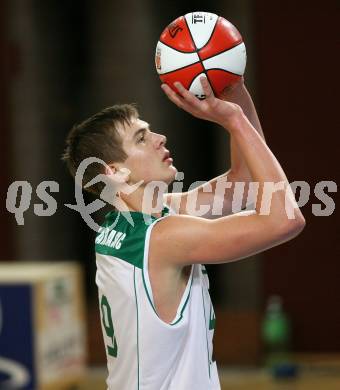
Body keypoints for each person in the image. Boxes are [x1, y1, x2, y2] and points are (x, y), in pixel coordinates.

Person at [62, 76, 305, 390]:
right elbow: (285, 220)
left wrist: (234, 92)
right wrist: (234, 120)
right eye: (141, 138)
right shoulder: (164, 238)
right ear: (115, 171)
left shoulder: (129, 224)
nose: (160, 138)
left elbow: (242, 183)